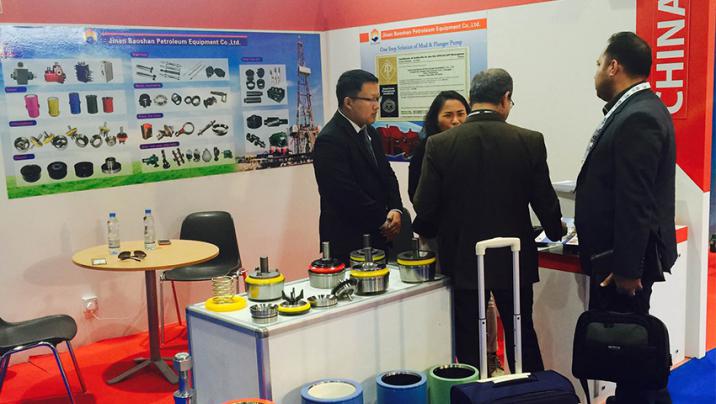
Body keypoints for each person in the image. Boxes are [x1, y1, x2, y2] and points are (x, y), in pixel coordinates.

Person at [414, 68, 564, 374]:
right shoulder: (529, 140)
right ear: (505, 98)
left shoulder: (440, 144)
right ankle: (533, 390)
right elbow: (545, 201)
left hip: (464, 257)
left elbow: (424, 205)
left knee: (469, 339)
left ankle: (473, 391)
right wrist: (555, 230)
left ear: (471, 99)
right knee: (522, 335)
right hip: (514, 258)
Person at [575, 32, 677, 404]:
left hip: (622, 263)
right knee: (626, 347)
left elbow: (636, 199)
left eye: (599, 64)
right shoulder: (634, 109)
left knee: (629, 346)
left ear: (614, 66)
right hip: (616, 258)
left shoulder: (639, 116)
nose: (596, 72)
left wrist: (627, 268)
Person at [312, 69, 403, 265]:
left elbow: (387, 175)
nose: (376, 106)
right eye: (370, 100)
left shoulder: (371, 133)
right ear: (348, 102)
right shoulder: (330, 139)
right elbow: (345, 193)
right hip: (348, 238)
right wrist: (383, 220)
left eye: (378, 99)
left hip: (377, 235)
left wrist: (396, 209)